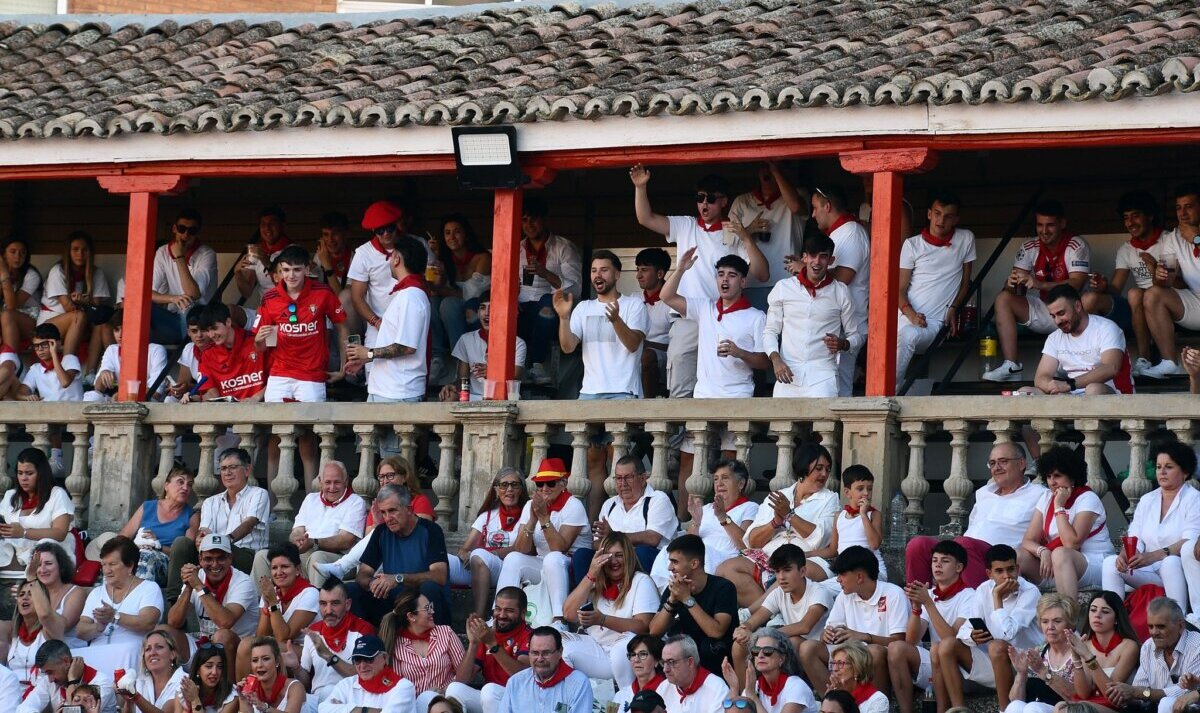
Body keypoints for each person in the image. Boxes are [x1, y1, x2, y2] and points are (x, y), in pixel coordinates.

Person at [630, 163, 768, 399]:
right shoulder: (686, 224)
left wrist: (745, 236)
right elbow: (645, 218)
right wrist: (640, 187)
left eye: (711, 198)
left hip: (722, 317)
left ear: (724, 201)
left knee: (725, 384)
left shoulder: (733, 232)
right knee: (680, 384)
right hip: (688, 314)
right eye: (700, 197)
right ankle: (681, 426)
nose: (704, 203)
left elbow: (762, 274)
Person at [659, 247, 768, 501]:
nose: (725, 280)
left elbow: (764, 362)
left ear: (743, 281)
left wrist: (740, 352)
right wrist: (681, 269)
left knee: (731, 464)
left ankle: (728, 513)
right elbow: (666, 296)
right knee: (689, 460)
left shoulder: (755, 316)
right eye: (720, 274)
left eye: (732, 275)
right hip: (704, 397)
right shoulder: (705, 307)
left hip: (737, 398)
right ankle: (685, 520)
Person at [554, 251, 648, 516]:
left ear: (617, 274)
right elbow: (568, 346)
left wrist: (616, 320)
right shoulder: (583, 308)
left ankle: (619, 520)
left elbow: (633, 344)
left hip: (623, 391)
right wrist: (563, 317)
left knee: (618, 462)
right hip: (589, 393)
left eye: (604, 270)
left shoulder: (634, 305)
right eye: (594, 270)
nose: (598, 275)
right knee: (593, 463)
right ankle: (594, 523)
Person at [905, 442, 1047, 588]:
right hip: (965, 550)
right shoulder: (983, 493)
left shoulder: (1040, 494)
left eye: (1003, 461)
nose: (996, 468)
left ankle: (971, 599)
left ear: (1021, 463)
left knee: (965, 544)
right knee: (918, 544)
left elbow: (1050, 535)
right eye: (992, 463)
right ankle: (917, 601)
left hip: (997, 558)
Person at [720, 444, 839, 607]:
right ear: (803, 466)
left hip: (808, 559)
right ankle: (770, 614)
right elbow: (753, 541)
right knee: (726, 569)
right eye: (819, 468)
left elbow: (822, 538)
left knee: (791, 572)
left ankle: (754, 613)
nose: (824, 474)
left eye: (827, 469)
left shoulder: (830, 499)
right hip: (770, 557)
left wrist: (790, 515)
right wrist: (774, 523)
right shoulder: (778, 495)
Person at [984, 200, 1091, 382]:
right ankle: (1011, 366)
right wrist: (1012, 283)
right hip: (1045, 308)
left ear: (1062, 223)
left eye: (1050, 225)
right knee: (1003, 298)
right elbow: (1015, 288)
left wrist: (1039, 284)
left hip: (1072, 309)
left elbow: (1076, 284)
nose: (1044, 230)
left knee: (1089, 299)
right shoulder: (1029, 247)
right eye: (1040, 225)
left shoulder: (1076, 244)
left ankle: (1072, 364)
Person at [939, 544, 1042, 711]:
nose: (1007, 576)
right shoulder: (983, 589)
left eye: (1010, 569)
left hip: (1028, 667)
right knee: (947, 645)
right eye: (999, 571)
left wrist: (997, 598)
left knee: (997, 646)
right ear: (989, 574)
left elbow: (1007, 633)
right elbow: (965, 629)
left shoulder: (1030, 592)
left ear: (1018, 569)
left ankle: (1004, 710)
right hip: (995, 664)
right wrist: (972, 636)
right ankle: (959, 710)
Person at [1102, 440, 1200, 614]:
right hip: (1150, 571)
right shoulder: (1148, 499)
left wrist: (1153, 556)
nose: (1162, 472)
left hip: (1179, 572)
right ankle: (1113, 620)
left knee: (1170, 562)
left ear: (1185, 472)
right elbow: (1135, 536)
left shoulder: (1194, 499)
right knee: (1111, 563)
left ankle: (1179, 619)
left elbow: (1189, 540)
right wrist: (1125, 555)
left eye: (1169, 467)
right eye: (1158, 467)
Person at [494, 458, 589, 631]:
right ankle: (499, 612)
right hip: (542, 562)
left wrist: (544, 518)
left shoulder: (573, 505)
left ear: (563, 483)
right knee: (513, 558)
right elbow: (521, 548)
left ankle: (559, 620)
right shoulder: (530, 505)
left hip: (568, 564)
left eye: (550, 483)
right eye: (540, 484)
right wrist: (532, 520)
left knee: (553, 558)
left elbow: (560, 548)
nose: (544, 488)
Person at [763, 232, 860, 398]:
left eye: (823, 256)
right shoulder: (783, 288)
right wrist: (776, 359)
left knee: (823, 416)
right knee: (780, 416)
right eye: (812, 256)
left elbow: (856, 335)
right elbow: (770, 331)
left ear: (831, 260)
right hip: (787, 374)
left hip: (823, 377)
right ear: (804, 258)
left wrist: (843, 344)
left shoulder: (841, 292)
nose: (817, 261)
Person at [799, 546, 906, 695]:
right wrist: (826, 635)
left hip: (882, 658)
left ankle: (877, 704)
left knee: (874, 651)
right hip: (851, 655)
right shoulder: (844, 596)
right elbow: (830, 629)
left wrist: (864, 637)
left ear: (859, 577)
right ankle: (834, 701)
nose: (838, 579)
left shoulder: (894, 594)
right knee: (807, 648)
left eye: (842, 574)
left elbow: (899, 641)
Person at [167, 448, 268, 604]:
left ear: (247, 470)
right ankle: (174, 600)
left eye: (233, 467)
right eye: (223, 468)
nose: (227, 473)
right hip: (215, 554)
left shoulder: (258, 493)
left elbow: (249, 523)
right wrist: (201, 538)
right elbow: (205, 529)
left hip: (244, 555)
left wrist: (226, 541)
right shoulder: (210, 502)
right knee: (182, 543)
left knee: (219, 549)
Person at [313, 459, 435, 586]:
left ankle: (342, 567)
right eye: (381, 477)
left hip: (411, 555)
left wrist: (381, 526)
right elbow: (369, 543)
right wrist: (378, 523)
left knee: (379, 533)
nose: (385, 481)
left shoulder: (419, 500)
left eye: (390, 475)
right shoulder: (379, 505)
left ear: (404, 477)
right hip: (385, 557)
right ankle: (344, 570)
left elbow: (420, 533)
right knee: (375, 542)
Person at [886, 540, 976, 713]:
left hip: (962, 667)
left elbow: (951, 639)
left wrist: (928, 603)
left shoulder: (969, 596)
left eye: (945, 561)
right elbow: (911, 641)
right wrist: (916, 608)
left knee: (940, 647)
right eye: (934, 560)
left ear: (959, 567)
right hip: (936, 661)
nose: (938, 565)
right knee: (896, 648)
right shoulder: (929, 595)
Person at [896, 190, 975, 385]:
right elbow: (900, 289)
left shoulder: (965, 239)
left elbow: (965, 284)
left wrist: (954, 308)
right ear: (929, 214)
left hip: (935, 323)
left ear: (956, 219)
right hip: (906, 315)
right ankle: (892, 389)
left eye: (948, 216)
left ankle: (890, 390)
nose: (941, 220)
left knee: (909, 336)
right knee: (898, 335)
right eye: (937, 213)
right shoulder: (912, 244)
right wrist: (911, 315)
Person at [560, 532, 657, 689]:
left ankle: (627, 696)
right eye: (608, 556)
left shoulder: (641, 581)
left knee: (623, 646)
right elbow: (568, 614)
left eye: (619, 555)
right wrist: (591, 574)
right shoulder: (595, 581)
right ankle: (573, 697)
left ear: (628, 557)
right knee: (559, 644)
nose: (613, 561)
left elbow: (644, 626)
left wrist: (602, 620)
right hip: (599, 650)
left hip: (629, 654)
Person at [254, 244, 348, 406]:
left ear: (307, 269)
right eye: (286, 270)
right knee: (275, 422)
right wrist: (258, 341)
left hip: (312, 375)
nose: (291, 275)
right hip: (279, 375)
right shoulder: (270, 298)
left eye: (297, 270)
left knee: (310, 422)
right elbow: (265, 346)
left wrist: (343, 368)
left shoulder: (323, 293)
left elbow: (343, 327)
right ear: (280, 270)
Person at [1082, 190, 1164, 374]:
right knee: (1091, 298)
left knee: (1137, 294)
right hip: (1137, 309)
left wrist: (1155, 269)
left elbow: (1180, 284)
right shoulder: (1126, 249)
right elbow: (1115, 289)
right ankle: (1086, 362)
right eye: (1126, 217)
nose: (1130, 223)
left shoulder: (1168, 241)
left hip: (1165, 306)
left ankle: (1145, 358)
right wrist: (1104, 286)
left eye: (1136, 216)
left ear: (1150, 216)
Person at [345, 484, 450, 625]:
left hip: (421, 601)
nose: (387, 518)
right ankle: (366, 636)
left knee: (429, 588)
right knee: (351, 590)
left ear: (409, 509)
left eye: (392, 510)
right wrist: (373, 583)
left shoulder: (431, 530)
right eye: (383, 512)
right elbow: (363, 574)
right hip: (394, 603)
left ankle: (433, 637)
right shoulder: (381, 532)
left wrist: (398, 578)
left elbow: (439, 576)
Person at [1017, 446, 1113, 598]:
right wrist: (1042, 551)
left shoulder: (1088, 498)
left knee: (1061, 553)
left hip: (1094, 564)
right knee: (1017, 555)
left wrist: (1059, 506)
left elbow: (1071, 544)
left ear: (1072, 477)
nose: (1052, 482)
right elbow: (1028, 540)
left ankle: (1069, 610)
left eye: (1057, 476)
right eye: (1048, 476)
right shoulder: (1046, 497)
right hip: (1055, 564)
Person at [250, 461, 366, 587]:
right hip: (304, 554)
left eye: (337, 482)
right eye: (328, 482)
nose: (332, 487)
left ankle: (317, 599)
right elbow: (297, 530)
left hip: (337, 560)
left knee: (317, 557)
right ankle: (263, 599)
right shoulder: (311, 499)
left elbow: (345, 540)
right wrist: (297, 540)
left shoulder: (356, 502)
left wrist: (314, 542)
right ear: (320, 481)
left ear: (346, 481)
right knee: (262, 557)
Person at [346, 235, 430, 404]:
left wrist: (369, 353)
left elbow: (406, 347)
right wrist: (366, 358)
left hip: (399, 393)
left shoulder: (410, 296)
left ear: (397, 259)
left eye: (392, 256)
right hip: (389, 390)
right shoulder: (407, 294)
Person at [732, 544, 832, 686]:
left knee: (790, 642)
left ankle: (786, 690)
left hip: (820, 651)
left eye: (787, 570)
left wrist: (761, 636)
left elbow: (804, 627)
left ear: (803, 571)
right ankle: (746, 693)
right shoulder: (779, 592)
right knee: (739, 645)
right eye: (777, 571)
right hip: (796, 646)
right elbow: (756, 619)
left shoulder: (818, 592)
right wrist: (744, 628)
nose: (781, 577)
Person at [652, 458, 757, 590]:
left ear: (740, 484)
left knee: (699, 554)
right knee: (668, 551)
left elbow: (746, 545)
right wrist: (696, 522)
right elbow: (688, 542)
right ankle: (665, 593)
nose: (719, 484)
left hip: (725, 561)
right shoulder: (706, 508)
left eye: (725, 478)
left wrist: (723, 518)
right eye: (716, 479)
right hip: (698, 556)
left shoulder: (750, 507)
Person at [808, 184, 870, 396]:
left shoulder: (852, 232)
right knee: (828, 383)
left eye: (815, 208)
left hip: (849, 323)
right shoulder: (839, 232)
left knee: (840, 385)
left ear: (827, 206)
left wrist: (804, 269)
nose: (813, 214)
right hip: (836, 321)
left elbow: (843, 278)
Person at [575, 455, 676, 582]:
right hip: (613, 558)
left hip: (645, 559)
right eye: (618, 478)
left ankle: (639, 592)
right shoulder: (609, 504)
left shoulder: (657, 499)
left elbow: (652, 538)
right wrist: (613, 548)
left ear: (643, 478)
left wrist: (613, 536)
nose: (623, 484)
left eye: (628, 477)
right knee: (582, 555)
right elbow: (595, 543)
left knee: (641, 552)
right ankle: (587, 594)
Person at [165, 533, 259, 670]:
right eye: (208, 559)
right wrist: (189, 587)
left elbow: (225, 623)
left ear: (230, 558)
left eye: (221, 558)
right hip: (205, 643)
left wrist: (199, 587)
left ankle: (227, 684)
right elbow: (173, 622)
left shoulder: (243, 582)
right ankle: (173, 681)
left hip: (239, 649)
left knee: (222, 637)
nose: (215, 564)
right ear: (200, 559)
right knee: (165, 632)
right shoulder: (197, 576)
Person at [516, 197, 582, 386]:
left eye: (534, 219)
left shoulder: (563, 247)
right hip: (522, 309)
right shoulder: (517, 248)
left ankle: (537, 364)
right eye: (524, 220)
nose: (529, 225)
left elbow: (575, 288)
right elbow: (505, 280)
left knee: (547, 301)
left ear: (545, 219)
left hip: (551, 314)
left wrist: (545, 273)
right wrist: (511, 301)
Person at [649, 535, 737, 674]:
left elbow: (716, 632)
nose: (669, 567)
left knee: (708, 647)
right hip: (687, 652)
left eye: (675, 562)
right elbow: (654, 632)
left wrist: (687, 599)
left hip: (718, 656)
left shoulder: (723, 587)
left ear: (694, 564)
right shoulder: (675, 589)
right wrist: (672, 600)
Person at [76, 536, 165, 675]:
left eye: (112, 564)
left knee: (130, 649)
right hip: (97, 654)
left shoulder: (149, 588)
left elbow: (147, 623)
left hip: (131, 654)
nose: (106, 571)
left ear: (130, 566)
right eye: (104, 565)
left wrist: (114, 617)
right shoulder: (96, 593)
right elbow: (80, 631)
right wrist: (98, 627)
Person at [1022, 285, 1132, 396]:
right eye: (1053, 316)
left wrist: (1069, 384)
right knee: (1025, 391)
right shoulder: (1054, 338)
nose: (1057, 321)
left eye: (1061, 313)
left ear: (1078, 306)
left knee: (1093, 389)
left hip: (1114, 396)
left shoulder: (1107, 328)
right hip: (1072, 395)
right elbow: (1041, 377)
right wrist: (1052, 387)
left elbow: (1111, 368)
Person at [728, 161, 809, 310]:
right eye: (764, 167)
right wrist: (750, 230)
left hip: (787, 280)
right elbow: (728, 241)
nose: (767, 171)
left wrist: (776, 171)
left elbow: (796, 207)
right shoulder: (742, 201)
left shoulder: (798, 194)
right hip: (750, 282)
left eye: (772, 167)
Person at [448, 468, 527, 617]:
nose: (509, 489)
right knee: (442, 561)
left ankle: (478, 616)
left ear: (521, 489)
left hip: (506, 569)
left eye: (515, 485)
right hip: (480, 566)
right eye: (504, 485)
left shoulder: (527, 513)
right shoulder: (487, 515)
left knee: (479, 554)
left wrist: (490, 553)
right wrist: (464, 555)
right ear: (496, 489)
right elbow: (465, 548)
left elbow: (520, 547)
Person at [1142, 183, 1200, 378]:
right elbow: (1167, 279)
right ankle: (1169, 362)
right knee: (1153, 294)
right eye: (1178, 208)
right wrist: (1160, 275)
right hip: (1196, 301)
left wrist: (1197, 239)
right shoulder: (1173, 238)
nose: (1182, 213)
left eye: (1189, 207)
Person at [38, 231, 114, 376]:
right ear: (68, 252)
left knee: (100, 324)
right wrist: (81, 303)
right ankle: (68, 368)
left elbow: (96, 307)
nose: (80, 254)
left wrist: (84, 301)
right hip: (51, 324)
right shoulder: (58, 271)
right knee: (77, 315)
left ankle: (90, 374)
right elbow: (68, 307)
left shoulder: (96, 273)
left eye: (84, 250)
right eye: (75, 249)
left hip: (82, 322)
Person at [1104, 598, 1200, 713]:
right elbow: (1140, 691)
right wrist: (1123, 695)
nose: (1154, 632)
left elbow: (1187, 692)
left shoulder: (1197, 646)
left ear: (1181, 625)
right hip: (1153, 709)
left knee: (1166, 703)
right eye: (1150, 626)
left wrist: (1137, 692)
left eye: (1161, 627)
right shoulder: (1148, 646)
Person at [446, 587, 532, 713]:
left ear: (523, 613)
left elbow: (521, 676)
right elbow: (462, 680)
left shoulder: (530, 636)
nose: (502, 615)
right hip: (491, 701)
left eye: (509, 611)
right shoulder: (487, 635)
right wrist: (473, 643)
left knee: (489, 691)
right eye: (498, 609)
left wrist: (492, 644)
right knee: (454, 689)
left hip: (519, 701)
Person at [236, 543, 317, 678]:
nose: (279, 572)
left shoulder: (310, 593)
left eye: (284, 566)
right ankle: (244, 688)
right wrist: (267, 604)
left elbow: (284, 636)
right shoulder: (271, 591)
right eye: (274, 568)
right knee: (248, 645)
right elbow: (261, 635)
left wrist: (273, 603)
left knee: (258, 647)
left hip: (307, 651)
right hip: (281, 646)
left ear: (297, 569)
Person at [427, 213, 491, 381]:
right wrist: (434, 258)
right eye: (447, 233)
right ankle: (437, 357)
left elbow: (471, 293)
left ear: (466, 234)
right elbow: (434, 289)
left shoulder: (482, 258)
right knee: (430, 302)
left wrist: (439, 289)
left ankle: (460, 361)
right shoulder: (444, 259)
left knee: (448, 304)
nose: (452, 237)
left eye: (457, 232)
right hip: (453, 307)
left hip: (477, 305)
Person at [0, 447, 76, 586]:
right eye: (20, 473)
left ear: (41, 473)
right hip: (14, 552)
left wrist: (23, 532)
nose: (24, 478)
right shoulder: (10, 495)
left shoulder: (57, 494)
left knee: (45, 544)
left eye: (29, 473)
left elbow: (60, 533)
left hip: (48, 553)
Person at [1003, 594, 1091, 713]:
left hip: (1066, 709)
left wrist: (1044, 672)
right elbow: (1015, 701)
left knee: (1032, 708)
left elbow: (1081, 697)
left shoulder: (1081, 650)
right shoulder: (1039, 650)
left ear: (1070, 623)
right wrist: (1021, 674)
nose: (1050, 627)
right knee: (1015, 707)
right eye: (1045, 621)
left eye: (1057, 621)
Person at [380, 588, 464, 711]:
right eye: (427, 608)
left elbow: (463, 671)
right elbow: (398, 687)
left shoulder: (445, 633)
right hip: (416, 706)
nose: (432, 611)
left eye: (431, 606)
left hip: (448, 701)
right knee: (427, 697)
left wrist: (445, 690)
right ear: (411, 616)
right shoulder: (396, 645)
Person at [294, 579, 375, 705]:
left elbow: (366, 676)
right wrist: (296, 668)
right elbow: (305, 683)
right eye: (323, 604)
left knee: (329, 692)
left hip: (352, 699)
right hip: (318, 701)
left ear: (348, 604)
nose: (328, 610)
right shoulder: (312, 632)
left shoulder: (363, 630)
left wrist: (328, 655)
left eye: (335, 603)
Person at [118, 464, 198, 586]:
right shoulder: (148, 506)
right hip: (138, 553)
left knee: (146, 558)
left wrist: (157, 545)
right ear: (166, 486)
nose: (185, 487)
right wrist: (136, 547)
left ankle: (138, 595)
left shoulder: (191, 516)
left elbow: (184, 554)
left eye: (189, 484)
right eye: (180, 482)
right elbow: (123, 536)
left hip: (166, 564)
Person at [438, 293, 526, 403]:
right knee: (448, 396)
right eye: (483, 308)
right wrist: (451, 386)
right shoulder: (466, 339)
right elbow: (462, 380)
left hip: (503, 397)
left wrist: (493, 372)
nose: (487, 313)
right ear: (478, 313)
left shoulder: (517, 343)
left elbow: (516, 376)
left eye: (492, 308)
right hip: (474, 396)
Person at [150, 208, 217, 344]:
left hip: (203, 319)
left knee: (189, 308)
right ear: (174, 229)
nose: (186, 235)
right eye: (182, 229)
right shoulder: (162, 251)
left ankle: (186, 351)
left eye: (192, 231)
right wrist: (172, 298)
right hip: (173, 318)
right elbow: (149, 293)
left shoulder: (207, 253)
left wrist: (179, 257)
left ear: (198, 232)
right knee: (139, 307)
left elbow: (193, 294)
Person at [807, 465, 886, 582]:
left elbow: (874, 544)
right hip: (846, 573)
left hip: (872, 572)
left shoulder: (873, 515)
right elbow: (832, 550)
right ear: (847, 492)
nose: (866, 493)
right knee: (820, 588)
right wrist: (806, 554)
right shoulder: (839, 516)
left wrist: (863, 514)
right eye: (860, 489)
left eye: (869, 489)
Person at [1064, 591, 1139, 713]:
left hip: (1119, 708)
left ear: (1116, 619)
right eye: (1093, 610)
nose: (1097, 615)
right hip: (1090, 705)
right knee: (1060, 707)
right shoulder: (1086, 645)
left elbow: (1111, 694)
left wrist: (1088, 657)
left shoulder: (1129, 646)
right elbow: (1083, 694)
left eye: (1105, 611)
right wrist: (1076, 659)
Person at [350, 200, 407, 359]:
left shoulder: (414, 245)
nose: (386, 234)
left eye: (390, 228)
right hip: (378, 326)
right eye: (380, 230)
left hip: (408, 321)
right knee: (374, 368)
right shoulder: (363, 253)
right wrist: (376, 322)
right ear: (373, 230)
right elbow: (356, 297)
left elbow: (432, 284)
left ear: (397, 224)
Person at [496, 627, 592, 713]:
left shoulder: (578, 683)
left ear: (560, 652)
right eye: (535, 653)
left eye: (546, 653)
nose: (540, 659)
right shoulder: (515, 682)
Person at [720, 626, 816, 713]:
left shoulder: (796, 686)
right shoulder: (754, 686)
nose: (760, 655)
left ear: (782, 658)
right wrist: (734, 688)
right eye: (756, 650)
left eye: (768, 651)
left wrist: (752, 696)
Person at [85, 309, 170, 402]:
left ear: (136, 329)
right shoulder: (112, 350)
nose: (120, 335)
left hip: (147, 402)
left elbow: (156, 392)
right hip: (119, 401)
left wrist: (121, 395)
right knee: (92, 396)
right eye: (116, 330)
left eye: (125, 329)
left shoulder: (156, 350)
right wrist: (103, 374)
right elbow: (98, 388)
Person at [318, 634, 415, 713]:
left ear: (385, 658)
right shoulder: (347, 684)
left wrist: (344, 709)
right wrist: (362, 710)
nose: (362, 666)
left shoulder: (403, 686)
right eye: (357, 660)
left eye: (368, 659)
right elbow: (323, 709)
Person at [16, 639, 115, 713]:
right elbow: (23, 709)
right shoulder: (48, 681)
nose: (50, 679)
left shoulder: (102, 683)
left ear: (66, 661)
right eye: (46, 673)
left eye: (50, 672)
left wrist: (72, 682)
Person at [192, 303, 266, 402]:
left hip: (263, 407)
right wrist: (193, 398)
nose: (211, 335)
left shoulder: (257, 343)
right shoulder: (207, 355)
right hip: (228, 410)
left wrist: (256, 398)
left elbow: (277, 377)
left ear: (228, 322)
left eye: (214, 328)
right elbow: (211, 393)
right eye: (207, 331)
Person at [24, 541, 89, 646]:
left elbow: (62, 627)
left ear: (61, 566)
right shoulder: (31, 591)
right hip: (35, 648)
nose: (42, 569)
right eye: (38, 565)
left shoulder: (76, 592)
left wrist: (32, 580)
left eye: (48, 564)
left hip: (67, 650)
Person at [118, 629, 187, 713]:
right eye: (148, 649)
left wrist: (135, 696)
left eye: (159, 647)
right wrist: (128, 702)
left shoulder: (184, 681)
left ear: (172, 654)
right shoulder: (139, 682)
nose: (152, 653)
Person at [235, 206, 295, 302]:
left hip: (288, 306)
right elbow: (247, 293)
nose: (267, 228)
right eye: (263, 224)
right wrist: (237, 273)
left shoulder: (294, 251)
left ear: (282, 226)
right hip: (265, 307)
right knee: (230, 309)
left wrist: (267, 263)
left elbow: (290, 289)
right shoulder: (256, 251)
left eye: (272, 224)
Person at [634, 247, 672, 398]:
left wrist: (645, 345)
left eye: (644, 270)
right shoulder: (633, 299)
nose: (638, 275)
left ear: (660, 274)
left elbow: (677, 344)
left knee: (647, 356)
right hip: (635, 352)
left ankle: (646, 406)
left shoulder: (673, 301)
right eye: (637, 269)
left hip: (663, 357)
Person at [658, 634, 729, 713]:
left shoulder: (717, 688)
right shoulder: (663, 688)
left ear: (690, 662)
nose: (665, 669)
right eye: (663, 662)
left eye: (671, 662)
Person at [17, 323, 84, 407]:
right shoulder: (35, 369)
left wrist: (54, 354)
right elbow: (19, 394)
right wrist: (28, 397)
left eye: (44, 344)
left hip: (73, 410)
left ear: (57, 343)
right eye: (36, 346)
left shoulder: (70, 359)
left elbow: (65, 382)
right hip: (49, 412)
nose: (40, 349)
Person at [234, 636, 305, 713]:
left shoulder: (295, 687)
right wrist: (243, 700)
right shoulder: (251, 691)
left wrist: (265, 707)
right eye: (255, 660)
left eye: (266, 659)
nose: (259, 665)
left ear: (277, 662)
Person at [0, 236, 42, 352]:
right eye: (13, 252)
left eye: (22, 253)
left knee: (8, 315)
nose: (18, 256)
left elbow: (12, 306)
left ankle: (10, 358)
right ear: (3, 255)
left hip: (30, 321)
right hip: (5, 318)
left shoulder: (31, 275)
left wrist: (4, 275)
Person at [609, 635, 670, 713]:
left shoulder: (670, 689)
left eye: (643, 654)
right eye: (633, 655)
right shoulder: (619, 695)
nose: (636, 660)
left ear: (656, 660)